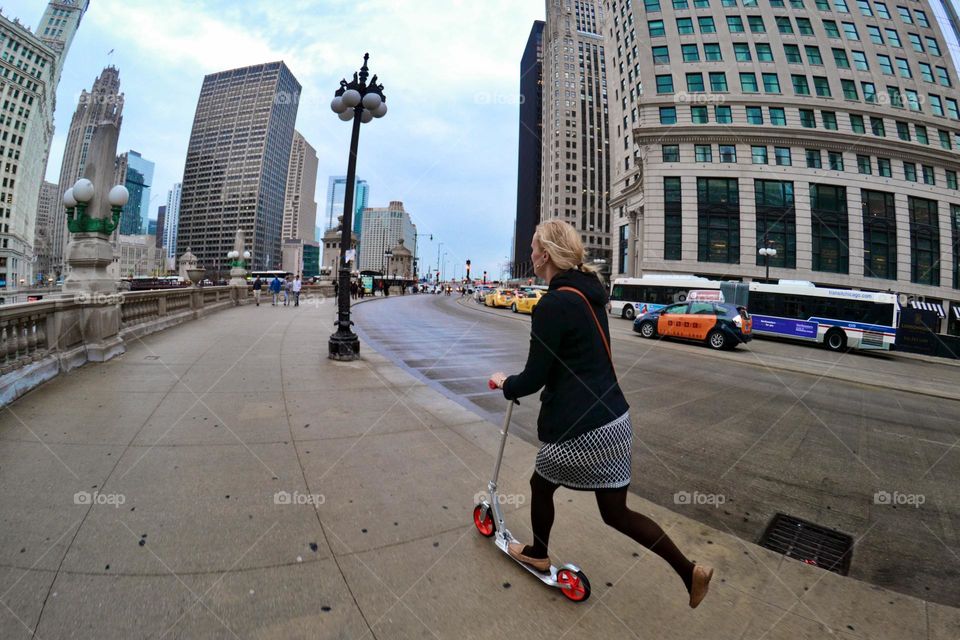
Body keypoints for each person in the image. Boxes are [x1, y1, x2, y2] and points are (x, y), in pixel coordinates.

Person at [489, 220, 713, 610]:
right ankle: (689, 570)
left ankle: (539, 552)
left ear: (546, 254)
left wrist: (504, 382)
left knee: (541, 484)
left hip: (583, 427)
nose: (529, 254)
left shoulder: (553, 305)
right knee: (616, 513)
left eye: (532, 247)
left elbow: (534, 378)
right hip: (615, 420)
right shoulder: (589, 296)